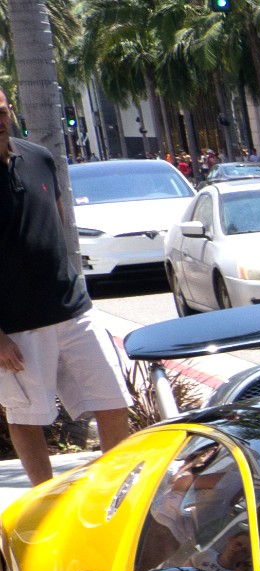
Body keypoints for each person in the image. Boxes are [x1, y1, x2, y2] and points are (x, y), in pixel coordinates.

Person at [0, 86, 130, 487]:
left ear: (10, 111)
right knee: (27, 417)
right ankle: (44, 499)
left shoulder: (39, 158)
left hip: (73, 310)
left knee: (114, 400)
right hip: (16, 327)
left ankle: (113, 491)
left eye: (1, 111)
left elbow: (55, 221)